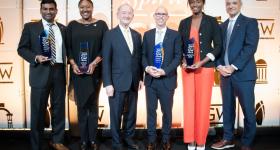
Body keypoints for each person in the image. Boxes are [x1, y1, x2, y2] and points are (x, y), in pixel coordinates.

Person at [17, 0, 68, 150]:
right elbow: (22, 49)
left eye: (51, 9)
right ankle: (37, 144)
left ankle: (57, 141)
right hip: (40, 71)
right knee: (38, 110)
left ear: (56, 11)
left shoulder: (63, 29)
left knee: (59, 108)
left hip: (59, 71)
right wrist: (35, 57)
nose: (48, 11)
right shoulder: (30, 27)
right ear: (40, 10)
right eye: (45, 9)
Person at [211, 0, 259, 150]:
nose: (230, 6)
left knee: (248, 110)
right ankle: (228, 138)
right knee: (227, 108)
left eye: (234, 3)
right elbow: (217, 49)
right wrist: (219, 66)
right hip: (225, 74)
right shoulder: (221, 26)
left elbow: (250, 46)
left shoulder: (250, 22)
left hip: (243, 74)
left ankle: (247, 142)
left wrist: (233, 66)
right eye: (228, 3)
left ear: (240, 4)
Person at [178, 0, 222, 149]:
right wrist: (183, 60)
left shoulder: (211, 21)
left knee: (203, 104)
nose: (195, 4)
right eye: (192, 2)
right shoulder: (183, 23)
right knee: (189, 105)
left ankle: (201, 140)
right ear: (189, 4)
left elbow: (218, 46)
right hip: (188, 70)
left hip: (205, 68)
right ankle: (190, 139)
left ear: (203, 3)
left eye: (198, 1)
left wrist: (202, 62)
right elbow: (179, 47)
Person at [66, 0, 108, 150]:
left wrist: (94, 63)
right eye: (82, 7)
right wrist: (73, 64)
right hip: (78, 72)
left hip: (95, 71)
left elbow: (105, 47)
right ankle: (83, 140)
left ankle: (93, 140)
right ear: (78, 9)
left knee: (93, 106)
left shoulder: (102, 25)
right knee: (81, 107)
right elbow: (68, 48)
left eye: (88, 7)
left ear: (92, 8)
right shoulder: (72, 26)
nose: (85, 9)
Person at [102, 3, 143, 150]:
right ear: (118, 15)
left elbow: (138, 59)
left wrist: (140, 79)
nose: (126, 15)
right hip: (116, 82)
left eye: (129, 13)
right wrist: (107, 83)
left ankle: (129, 138)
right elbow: (106, 60)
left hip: (133, 81)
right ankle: (116, 142)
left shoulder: (137, 35)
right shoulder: (110, 34)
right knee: (116, 114)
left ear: (132, 15)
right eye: (124, 13)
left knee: (131, 113)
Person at [142, 6, 182, 150]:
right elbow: (143, 56)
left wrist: (164, 71)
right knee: (151, 112)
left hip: (167, 80)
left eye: (163, 14)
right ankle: (151, 140)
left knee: (167, 112)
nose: (160, 16)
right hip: (151, 81)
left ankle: (166, 139)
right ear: (154, 16)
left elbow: (178, 57)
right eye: (158, 14)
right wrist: (147, 68)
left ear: (167, 17)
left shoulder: (175, 35)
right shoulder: (147, 35)